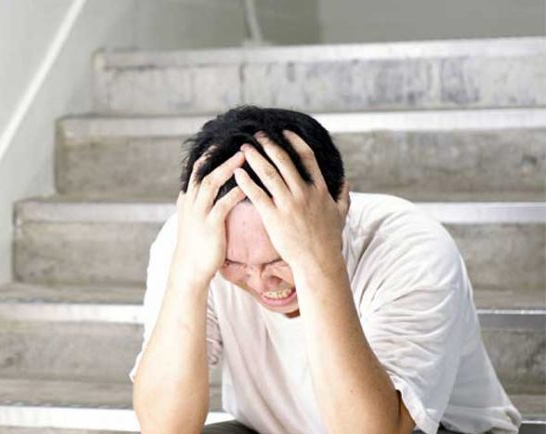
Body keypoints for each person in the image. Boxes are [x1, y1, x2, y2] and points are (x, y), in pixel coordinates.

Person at [129, 106, 521, 434]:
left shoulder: (412, 245)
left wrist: (316, 262)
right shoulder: (197, 238)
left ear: (338, 208)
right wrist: (189, 276)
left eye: (278, 258)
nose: (263, 282)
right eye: (234, 263)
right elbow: (165, 426)